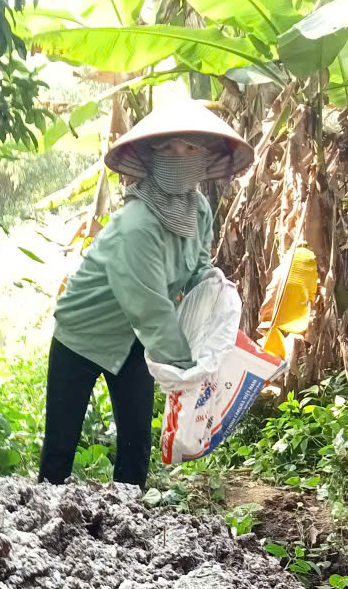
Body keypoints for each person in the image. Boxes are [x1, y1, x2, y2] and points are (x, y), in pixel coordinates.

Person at [38, 101, 253, 489]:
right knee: (60, 450)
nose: (179, 156)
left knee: (136, 448)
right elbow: (150, 307)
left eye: (189, 148)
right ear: (152, 157)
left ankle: (126, 521)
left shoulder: (199, 211)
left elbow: (198, 268)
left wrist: (217, 298)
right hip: (83, 333)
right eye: (168, 148)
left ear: (203, 156)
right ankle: (45, 519)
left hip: (135, 340)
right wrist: (188, 368)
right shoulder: (137, 224)